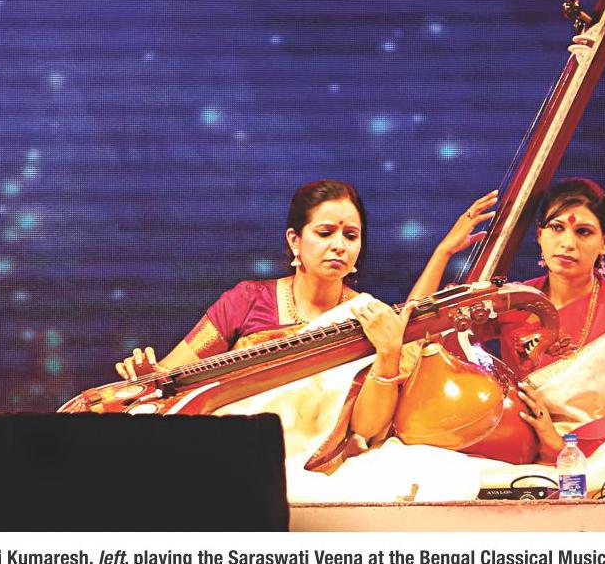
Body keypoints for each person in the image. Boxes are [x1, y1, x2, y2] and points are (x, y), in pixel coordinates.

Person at [408, 177, 605, 490]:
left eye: (583, 232)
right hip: (518, 448)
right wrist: (444, 252)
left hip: (595, 454)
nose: (567, 243)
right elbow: (415, 332)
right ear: (540, 235)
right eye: (557, 228)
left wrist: (563, 443)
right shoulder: (512, 301)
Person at [114, 178, 415, 457]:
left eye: (351, 236)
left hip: (323, 462)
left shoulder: (370, 317)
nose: (339, 246)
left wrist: (388, 353)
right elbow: (170, 374)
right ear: (295, 240)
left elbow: (367, 430)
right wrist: (147, 376)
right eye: (325, 233)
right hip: (237, 452)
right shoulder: (246, 301)